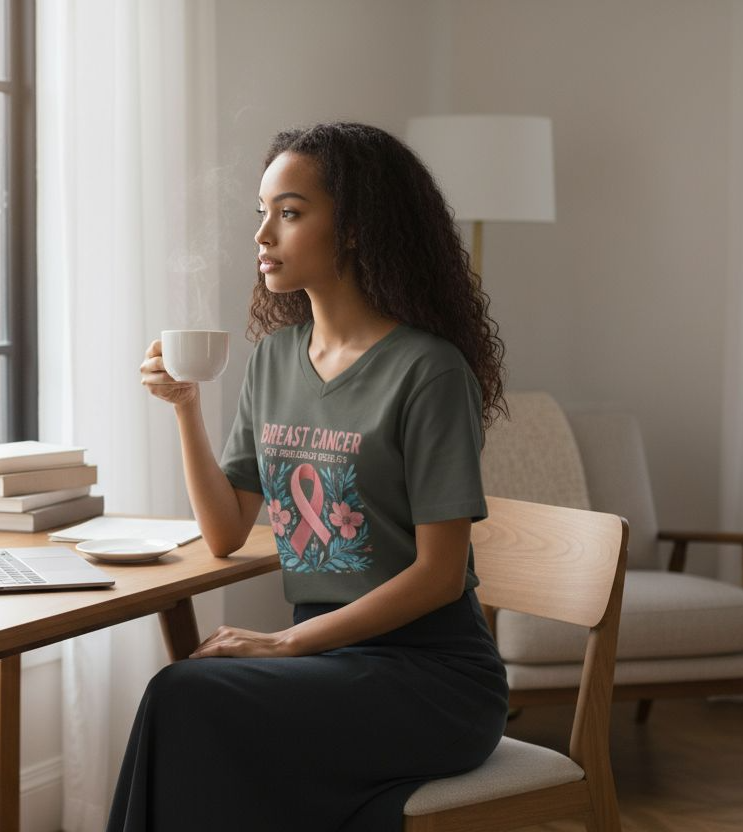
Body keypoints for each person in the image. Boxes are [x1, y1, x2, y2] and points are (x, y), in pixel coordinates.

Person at [109, 122, 510, 831]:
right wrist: (186, 408)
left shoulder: (428, 371)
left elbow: (441, 575)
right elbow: (226, 531)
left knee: (187, 698)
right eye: (262, 213)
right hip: (324, 666)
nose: (263, 235)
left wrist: (282, 643)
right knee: (192, 704)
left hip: (430, 677)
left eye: (289, 213)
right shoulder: (273, 360)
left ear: (353, 229)